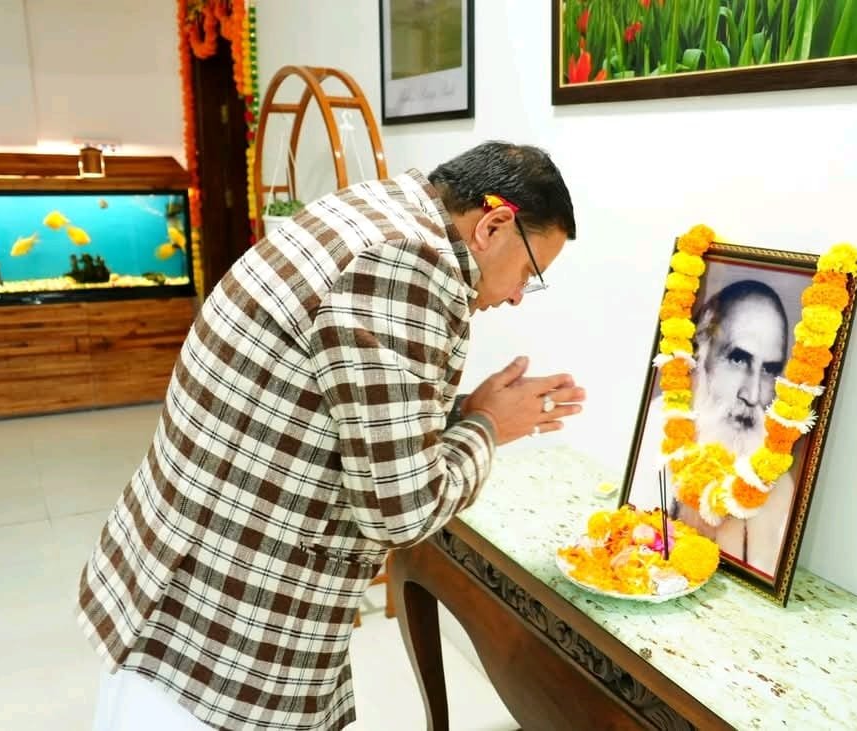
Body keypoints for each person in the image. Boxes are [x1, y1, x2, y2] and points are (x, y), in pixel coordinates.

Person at [77, 141, 586, 731]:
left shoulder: (377, 209)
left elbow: (343, 405)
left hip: (177, 563)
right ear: (493, 225)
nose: (518, 296)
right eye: (529, 273)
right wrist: (489, 427)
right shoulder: (407, 265)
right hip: (226, 620)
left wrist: (466, 412)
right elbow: (402, 511)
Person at [632, 279, 793, 577]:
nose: (753, 394)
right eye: (738, 358)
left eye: (769, 370)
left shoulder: (777, 485)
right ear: (700, 354)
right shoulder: (657, 426)